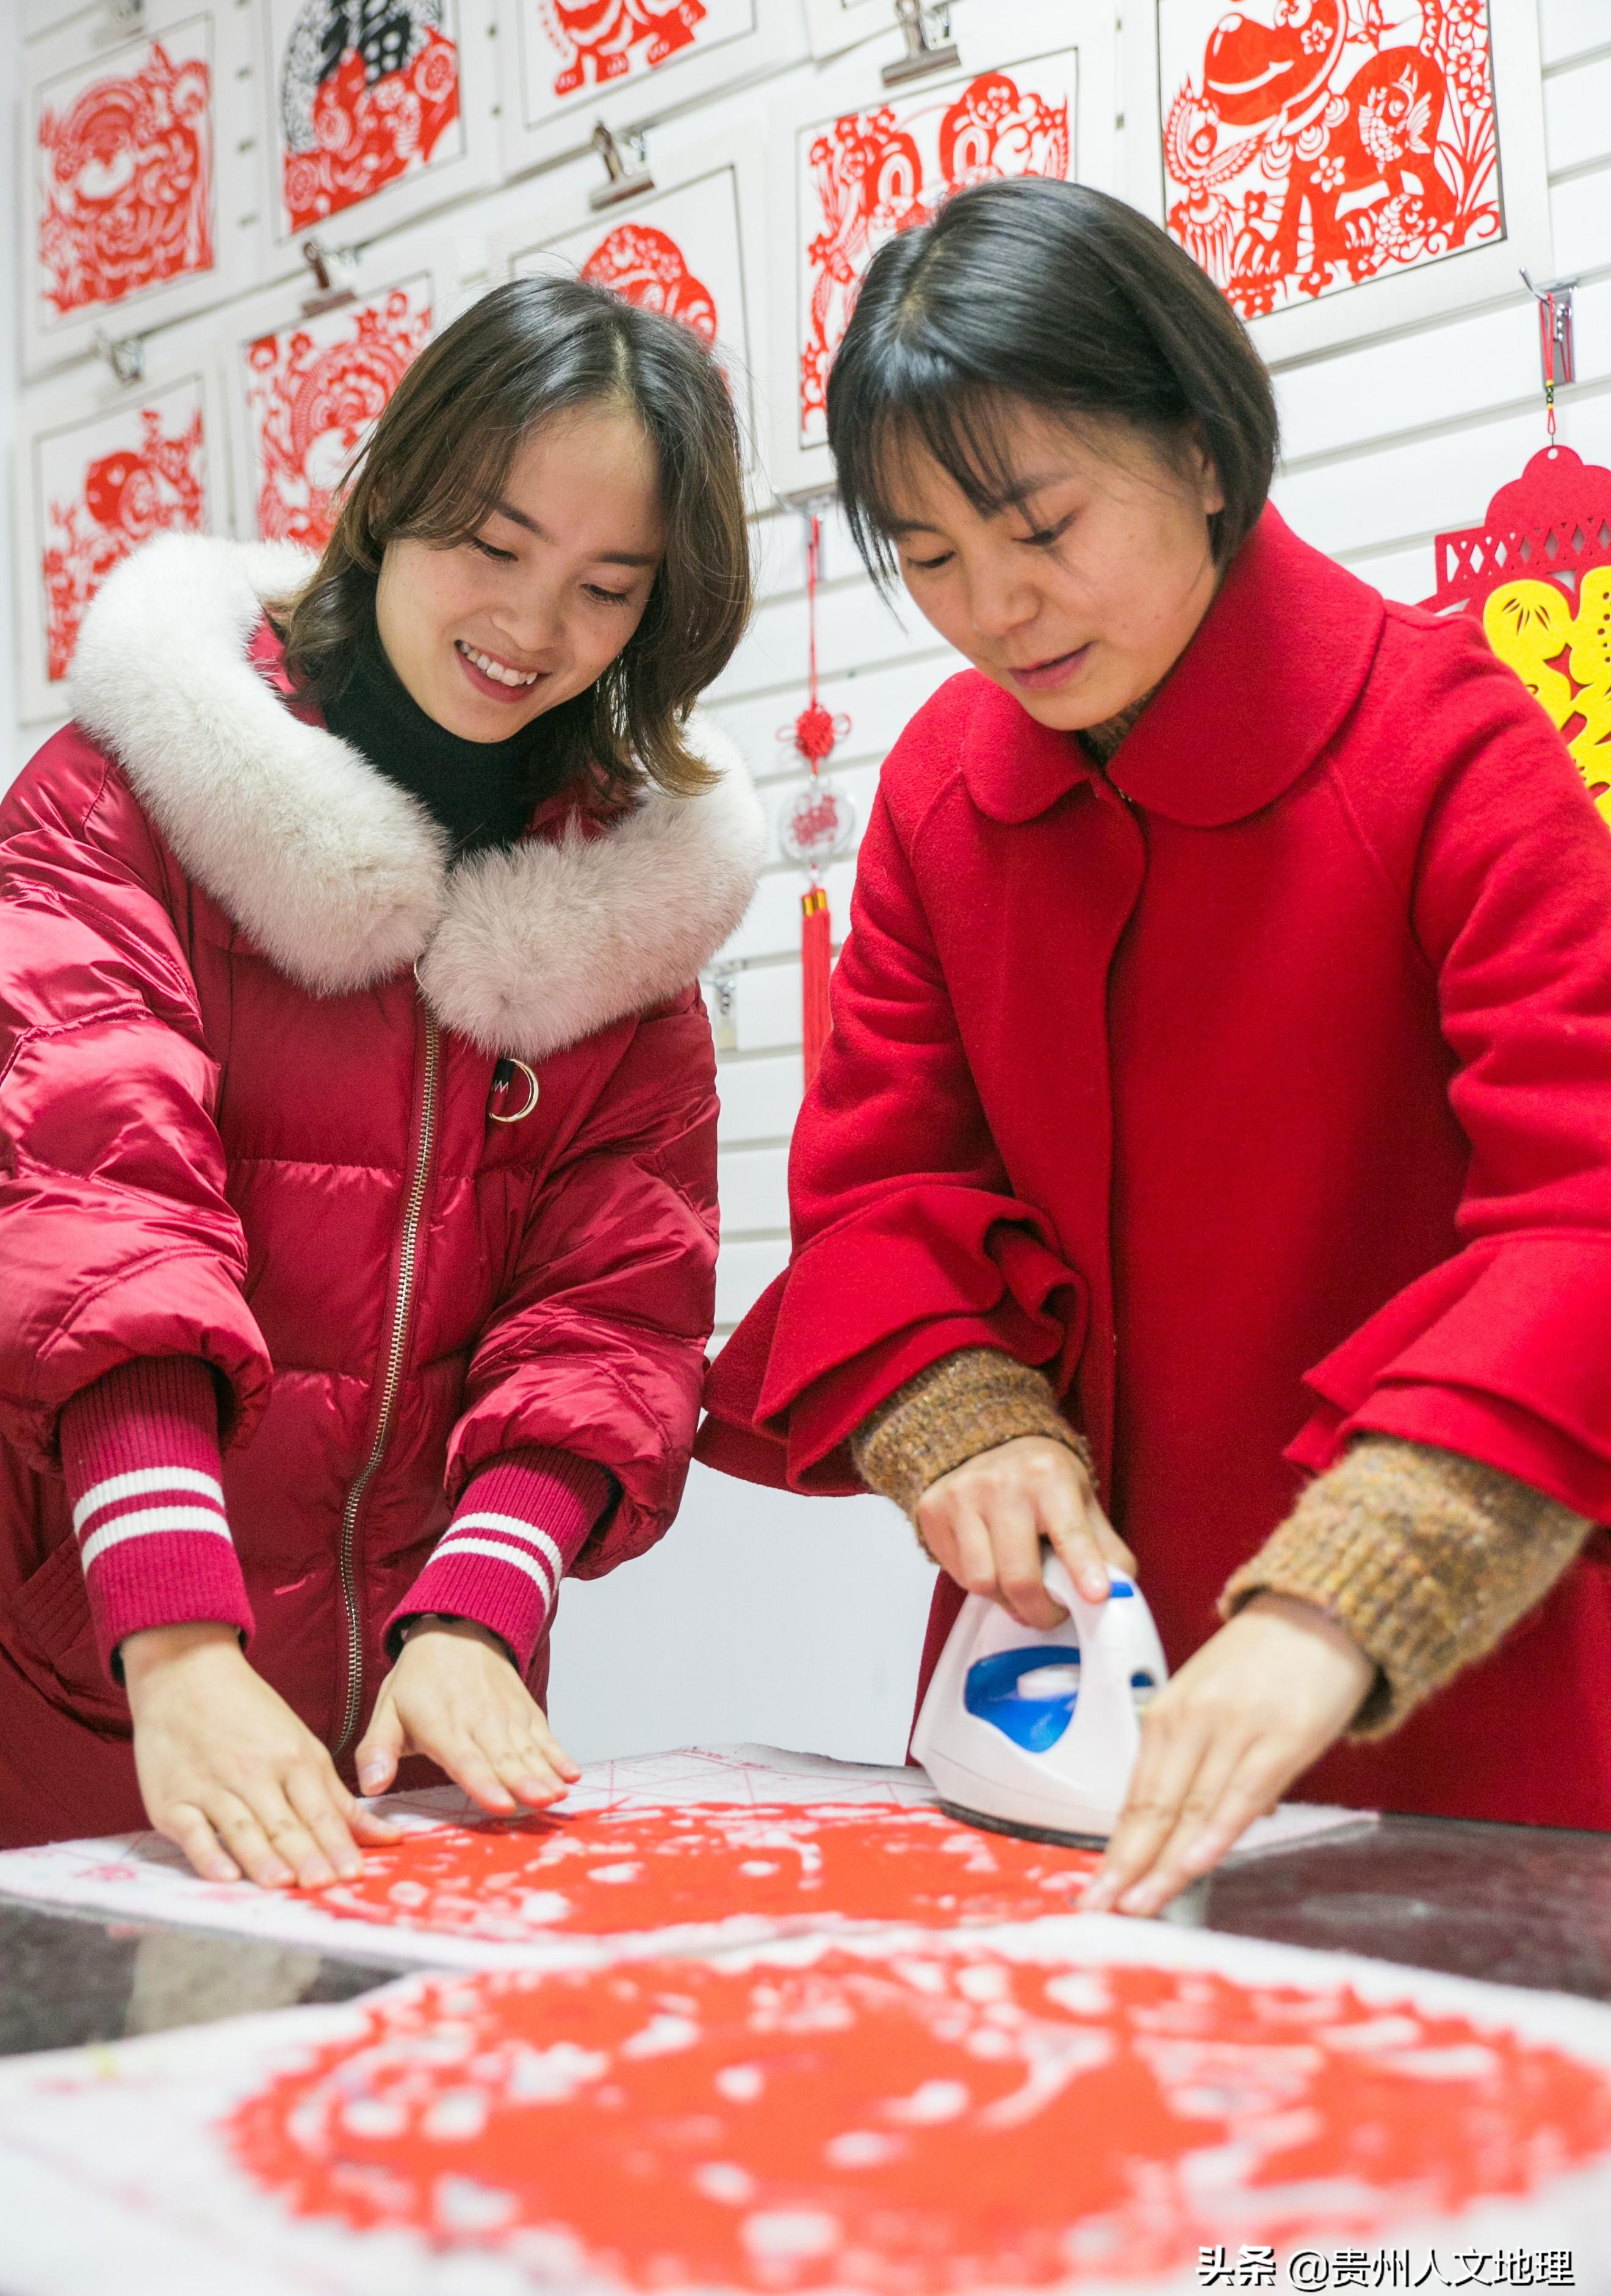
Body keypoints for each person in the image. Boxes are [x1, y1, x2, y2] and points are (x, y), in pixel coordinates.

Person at [699, 179, 1611, 1913]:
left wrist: (1356, 1588)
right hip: (1054, 1703)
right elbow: (881, 1189)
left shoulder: (1452, 746)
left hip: (1441, 1703)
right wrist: (961, 1426)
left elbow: (1584, 1214)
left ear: (1201, 451)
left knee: (1421, 2176)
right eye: (940, 559)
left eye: (1042, 525)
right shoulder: (944, 794)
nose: (998, 611)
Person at [0, 275, 765, 1884]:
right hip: (94, 1681)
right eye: (493, 546)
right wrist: (180, 1651)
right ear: (389, 494)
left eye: (606, 588)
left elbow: (609, 1319)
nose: (532, 626)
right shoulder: (119, 802)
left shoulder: (621, 917)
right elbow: (94, 1216)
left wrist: (484, 1618)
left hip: (423, 1739)